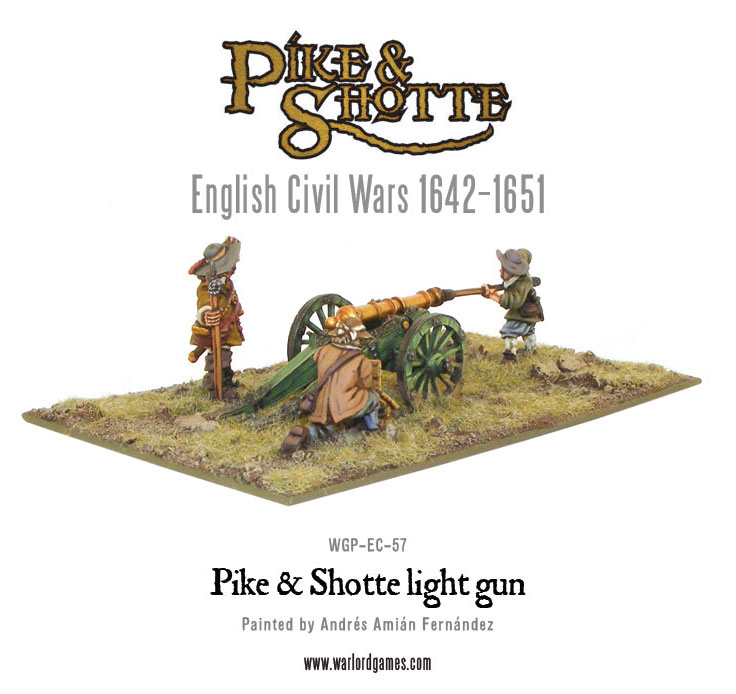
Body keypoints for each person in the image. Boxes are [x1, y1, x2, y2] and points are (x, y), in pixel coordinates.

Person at [279, 315, 380, 455]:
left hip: (321, 402)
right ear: (357, 339)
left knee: (326, 426)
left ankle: (309, 433)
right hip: (342, 405)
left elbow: (317, 361)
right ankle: (373, 428)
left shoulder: (323, 350)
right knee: (373, 398)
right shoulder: (362, 360)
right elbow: (367, 384)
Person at [187, 237, 244, 397]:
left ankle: (226, 381)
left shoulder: (226, 282)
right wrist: (207, 314)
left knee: (225, 356)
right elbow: (204, 302)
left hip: (227, 325)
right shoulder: (206, 287)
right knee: (217, 358)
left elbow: (231, 299)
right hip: (216, 328)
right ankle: (215, 387)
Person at [482, 248, 543, 362]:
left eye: (505, 270)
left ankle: (510, 357)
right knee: (528, 331)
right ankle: (531, 349)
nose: (501, 271)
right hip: (527, 313)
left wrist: (492, 296)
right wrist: (493, 289)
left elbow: (513, 302)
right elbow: (506, 286)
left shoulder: (523, 283)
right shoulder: (515, 279)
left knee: (509, 331)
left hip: (524, 314)